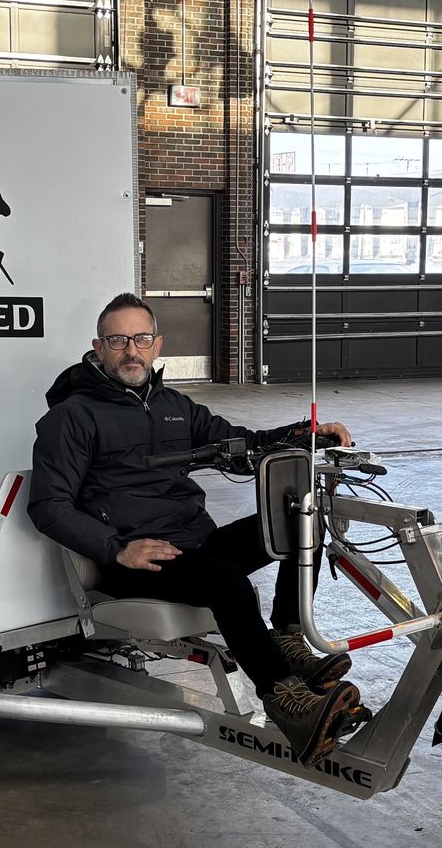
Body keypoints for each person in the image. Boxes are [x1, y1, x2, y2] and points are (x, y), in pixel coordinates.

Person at [29, 293, 365, 766]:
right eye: (118, 340)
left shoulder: (174, 406)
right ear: (98, 347)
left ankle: (288, 640)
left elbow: (243, 446)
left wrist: (306, 433)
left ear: (158, 344)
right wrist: (117, 549)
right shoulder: (72, 417)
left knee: (299, 520)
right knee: (226, 582)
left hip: (193, 543)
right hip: (134, 559)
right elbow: (48, 506)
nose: (131, 351)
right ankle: (286, 701)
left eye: (141, 339)